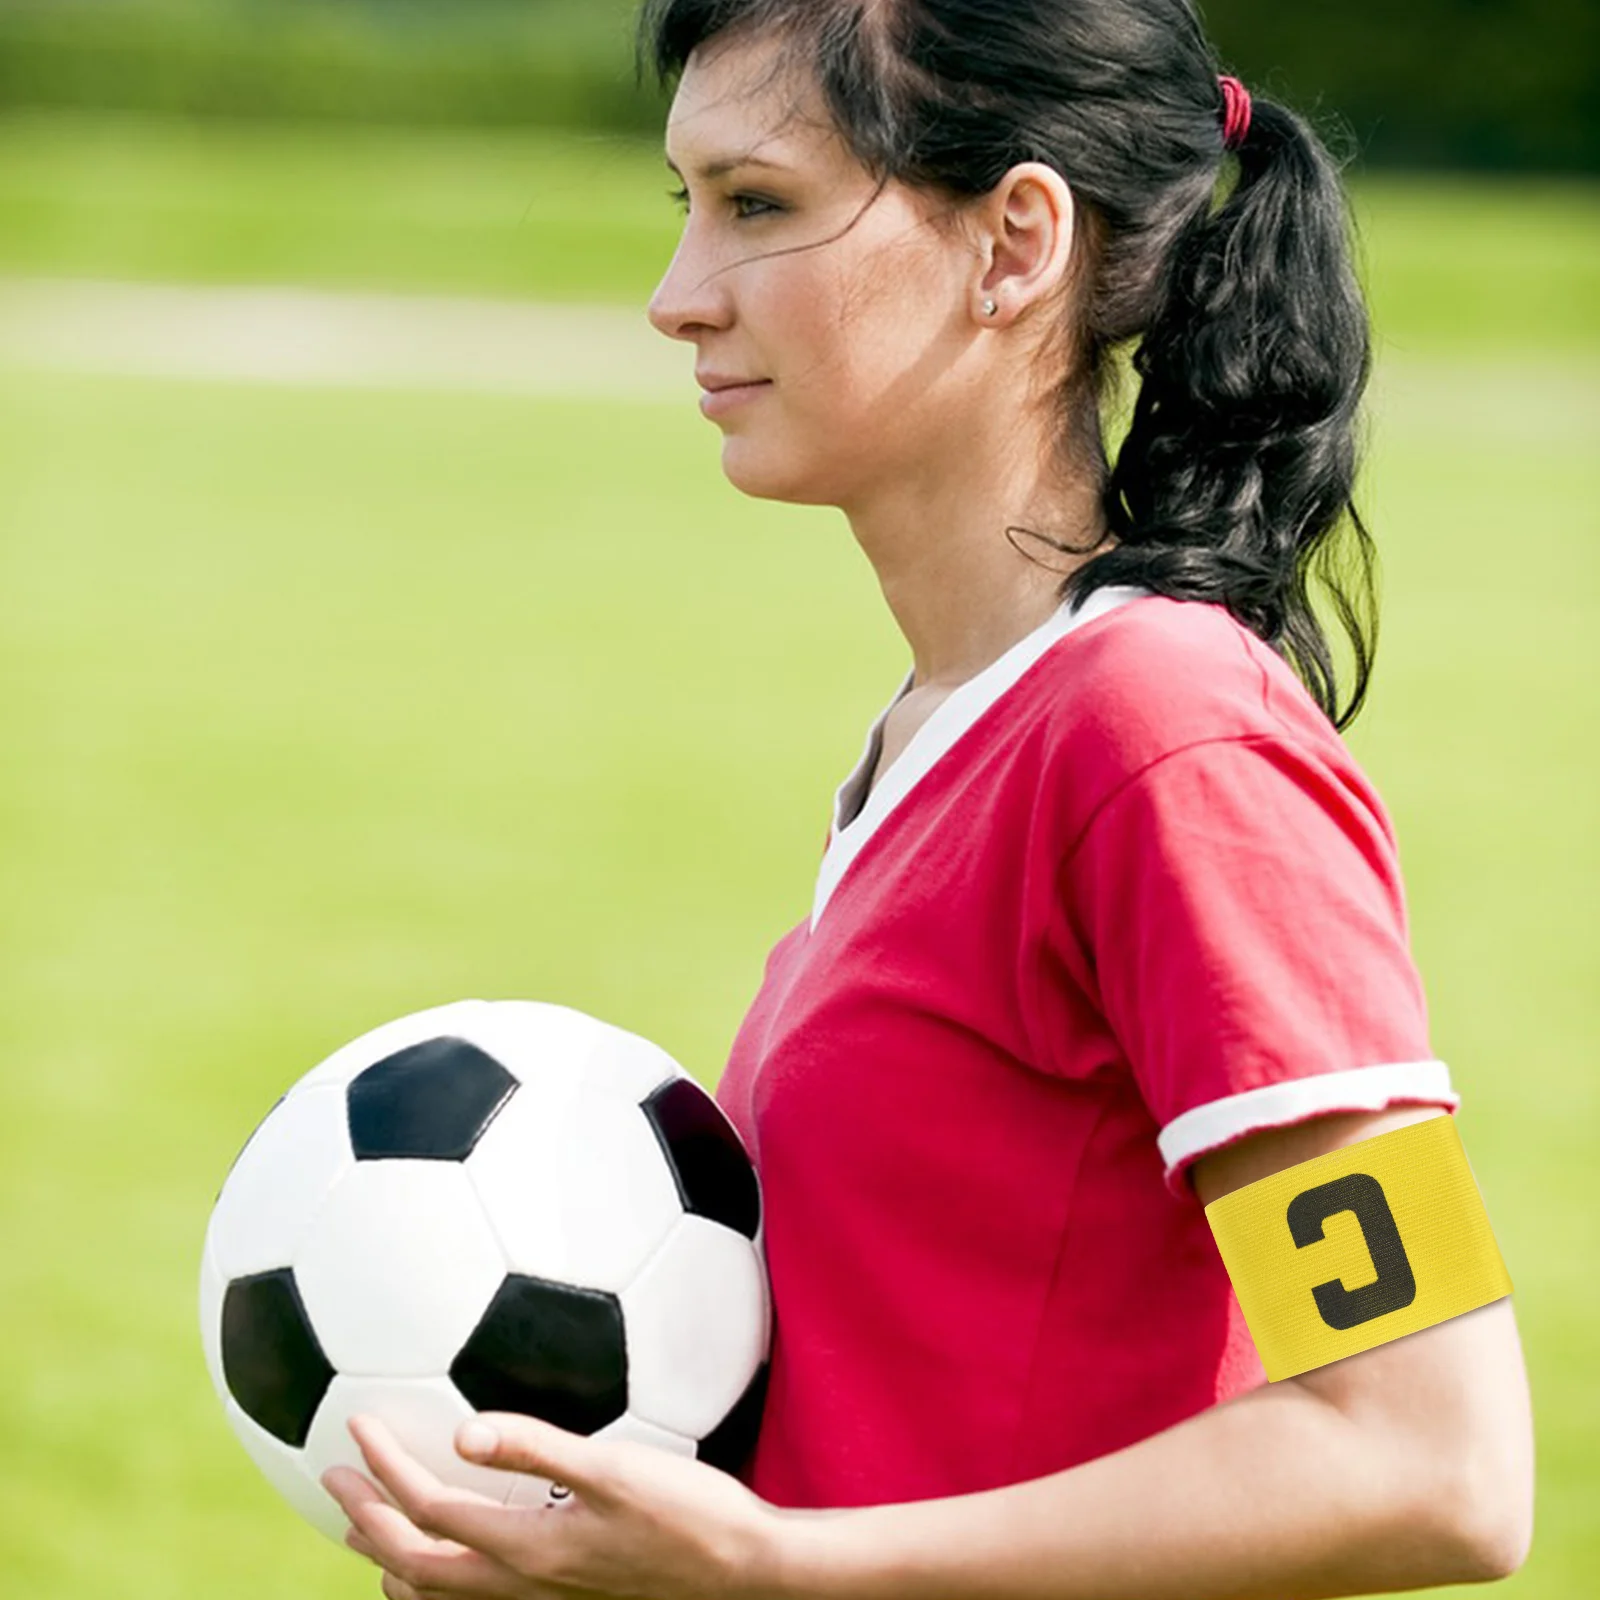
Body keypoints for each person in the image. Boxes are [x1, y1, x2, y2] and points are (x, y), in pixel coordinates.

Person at [321, 2, 1535, 1596]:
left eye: (756, 206)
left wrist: (790, 1569)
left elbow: (1431, 1458)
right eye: (680, 208)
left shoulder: (1170, 741)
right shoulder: (944, 732)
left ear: (1015, 242)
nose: (677, 298)